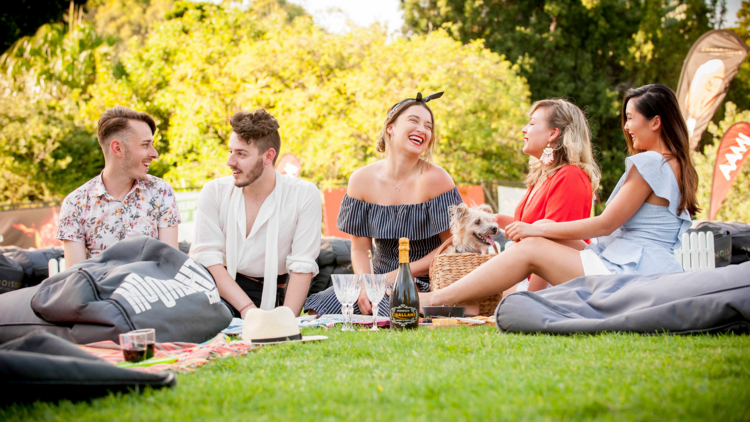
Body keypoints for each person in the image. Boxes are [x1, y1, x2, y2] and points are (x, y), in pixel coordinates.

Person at [420, 84, 699, 311]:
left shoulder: (651, 162)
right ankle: (458, 299)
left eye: (630, 118)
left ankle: (434, 299)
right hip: (643, 263)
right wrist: (532, 228)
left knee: (532, 245)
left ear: (656, 122)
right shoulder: (673, 163)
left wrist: (537, 229)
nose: (626, 127)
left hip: (632, 270)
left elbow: (605, 225)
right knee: (537, 237)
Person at [304, 92, 463, 317]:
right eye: (414, 121)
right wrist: (363, 283)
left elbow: (452, 245)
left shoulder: (437, 179)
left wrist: (399, 274)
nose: (423, 130)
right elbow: (360, 249)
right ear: (390, 127)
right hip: (376, 278)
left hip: (426, 277)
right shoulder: (360, 180)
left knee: (397, 305)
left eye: (428, 126)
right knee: (318, 309)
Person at [189, 109, 321, 319]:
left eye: (241, 154)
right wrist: (247, 310)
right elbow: (207, 258)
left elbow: (302, 264)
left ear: (268, 156)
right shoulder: (214, 191)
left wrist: (286, 320)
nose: (230, 161)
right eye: (231, 151)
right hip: (215, 290)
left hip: (270, 292)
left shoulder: (304, 194)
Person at [497, 99, 600, 296]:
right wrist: (499, 220)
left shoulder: (570, 176)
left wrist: (531, 299)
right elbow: (532, 227)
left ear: (553, 133)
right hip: (530, 277)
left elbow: (551, 244)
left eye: (532, 123)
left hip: (553, 288)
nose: (523, 129)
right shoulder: (541, 178)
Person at [56, 106, 181, 267]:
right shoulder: (75, 204)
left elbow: (171, 266)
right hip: (100, 291)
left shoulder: (161, 191)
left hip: (153, 290)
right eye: (145, 145)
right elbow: (76, 278)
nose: (154, 153)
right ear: (117, 148)